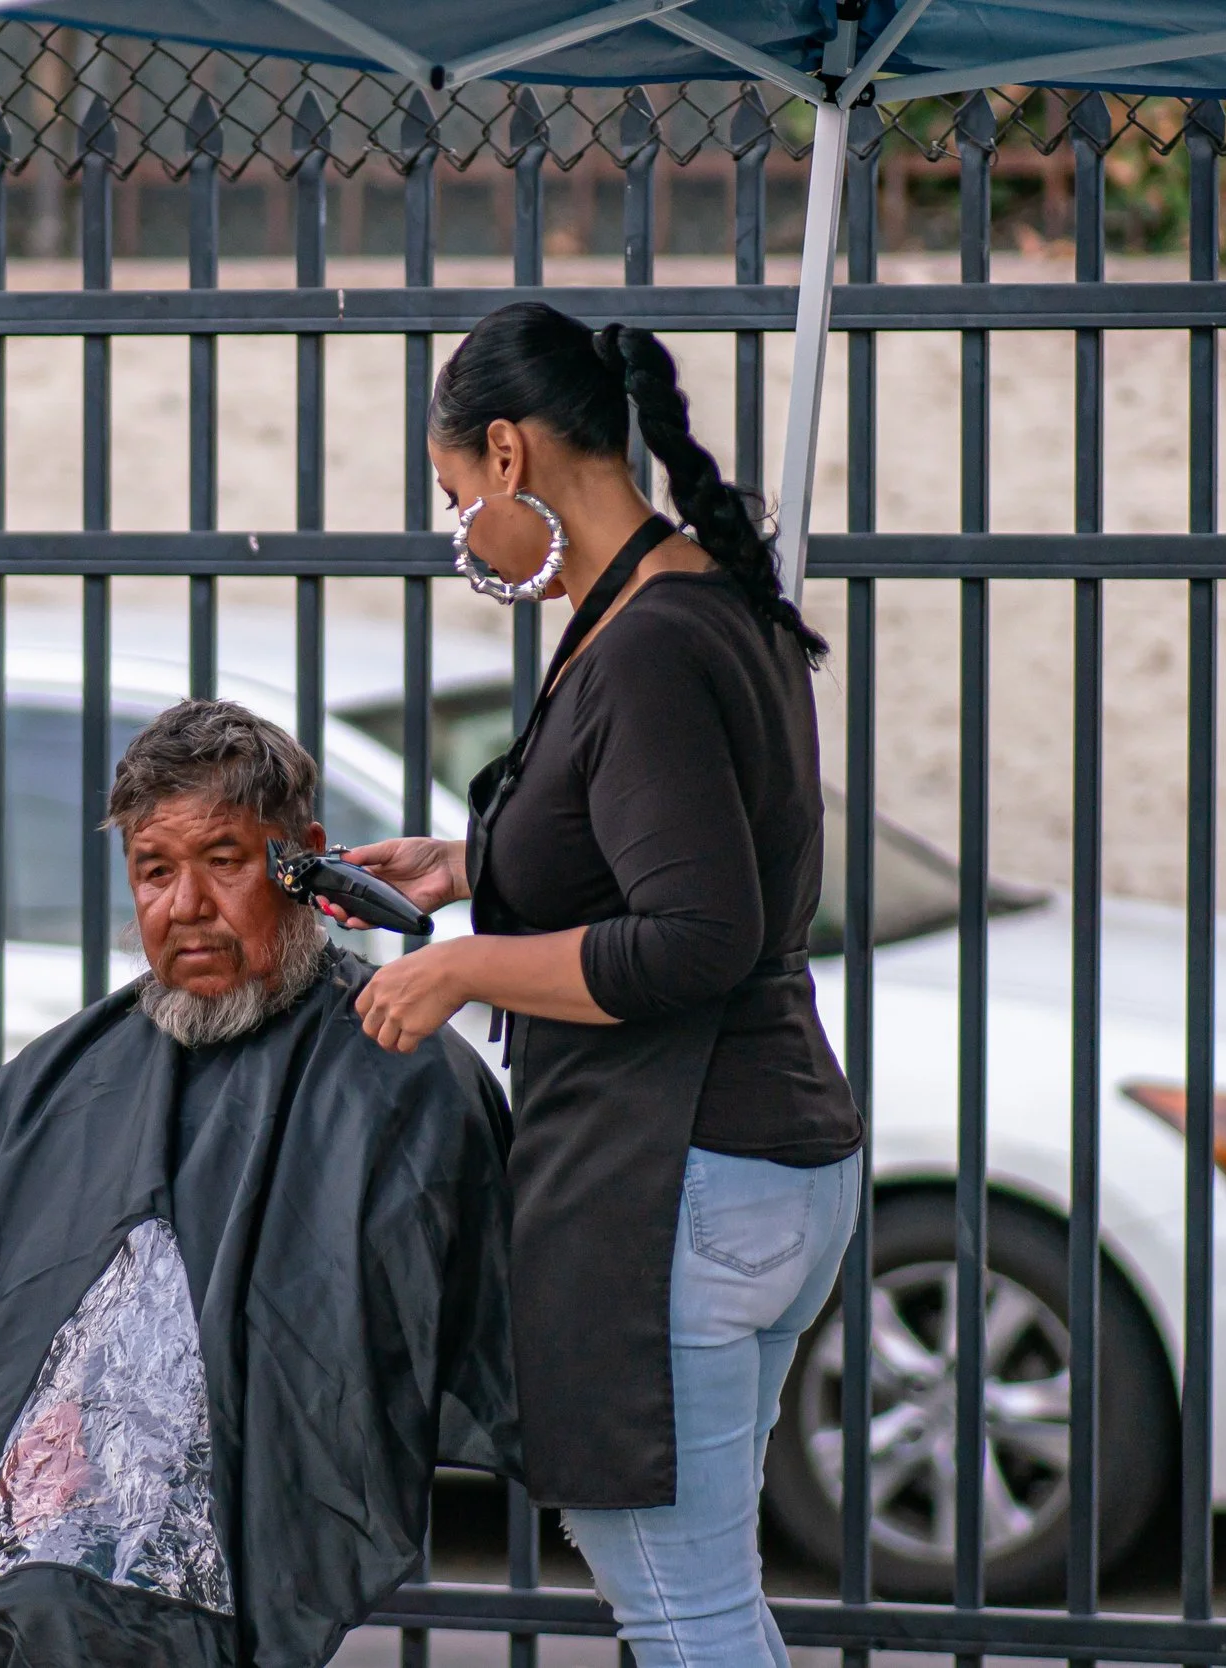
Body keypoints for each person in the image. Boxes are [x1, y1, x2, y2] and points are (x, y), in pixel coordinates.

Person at [0, 700, 515, 1668]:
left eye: (225, 861)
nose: (185, 905)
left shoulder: (389, 1070)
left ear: (304, 858)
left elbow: (430, 1327)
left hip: (201, 1524)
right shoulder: (68, 1073)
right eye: (156, 871)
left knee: (46, 1615)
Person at [344, 300, 864, 1668]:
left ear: (508, 458)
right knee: (707, 1601)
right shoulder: (698, 599)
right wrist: (472, 865)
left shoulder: (641, 643)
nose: (457, 533)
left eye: (454, 496)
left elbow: (694, 934)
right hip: (764, 1167)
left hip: (679, 1178)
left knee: (687, 1620)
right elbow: (672, 846)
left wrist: (460, 969)